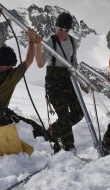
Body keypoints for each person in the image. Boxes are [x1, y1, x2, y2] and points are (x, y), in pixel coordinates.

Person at [0, 6, 56, 146]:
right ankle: (53, 144)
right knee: (33, 126)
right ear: (9, 65)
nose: (13, 67)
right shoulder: (11, 77)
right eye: (12, 65)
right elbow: (29, 60)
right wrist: (31, 41)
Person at [35, 12, 83, 152]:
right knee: (63, 115)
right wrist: (38, 46)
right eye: (59, 29)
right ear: (56, 27)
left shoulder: (73, 42)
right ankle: (69, 148)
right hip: (54, 82)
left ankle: (53, 131)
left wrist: (82, 83)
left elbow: (74, 63)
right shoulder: (50, 42)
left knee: (78, 113)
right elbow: (40, 63)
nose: (62, 32)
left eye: (65, 30)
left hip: (68, 81)